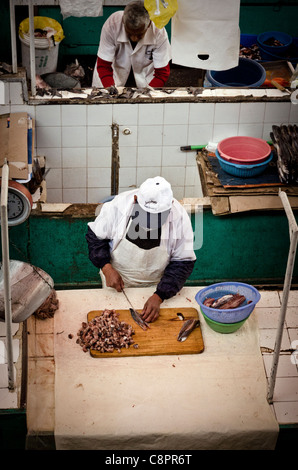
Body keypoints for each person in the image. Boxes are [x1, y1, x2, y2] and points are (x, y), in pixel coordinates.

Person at [86, 177, 196, 323]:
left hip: (157, 284)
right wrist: (106, 267)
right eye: (146, 216)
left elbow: (183, 262)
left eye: (158, 217)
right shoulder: (119, 205)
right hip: (116, 278)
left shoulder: (180, 217)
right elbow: (95, 236)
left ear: (170, 207)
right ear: (136, 200)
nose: (151, 222)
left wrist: (160, 295)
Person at [92, 0, 171, 88]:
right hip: (111, 79)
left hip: (146, 82)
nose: (134, 38)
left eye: (139, 34)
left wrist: (146, 95)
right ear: (123, 22)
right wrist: (110, 90)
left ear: (148, 25)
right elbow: (103, 66)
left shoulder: (158, 32)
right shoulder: (112, 25)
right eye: (129, 33)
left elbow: (162, 73)